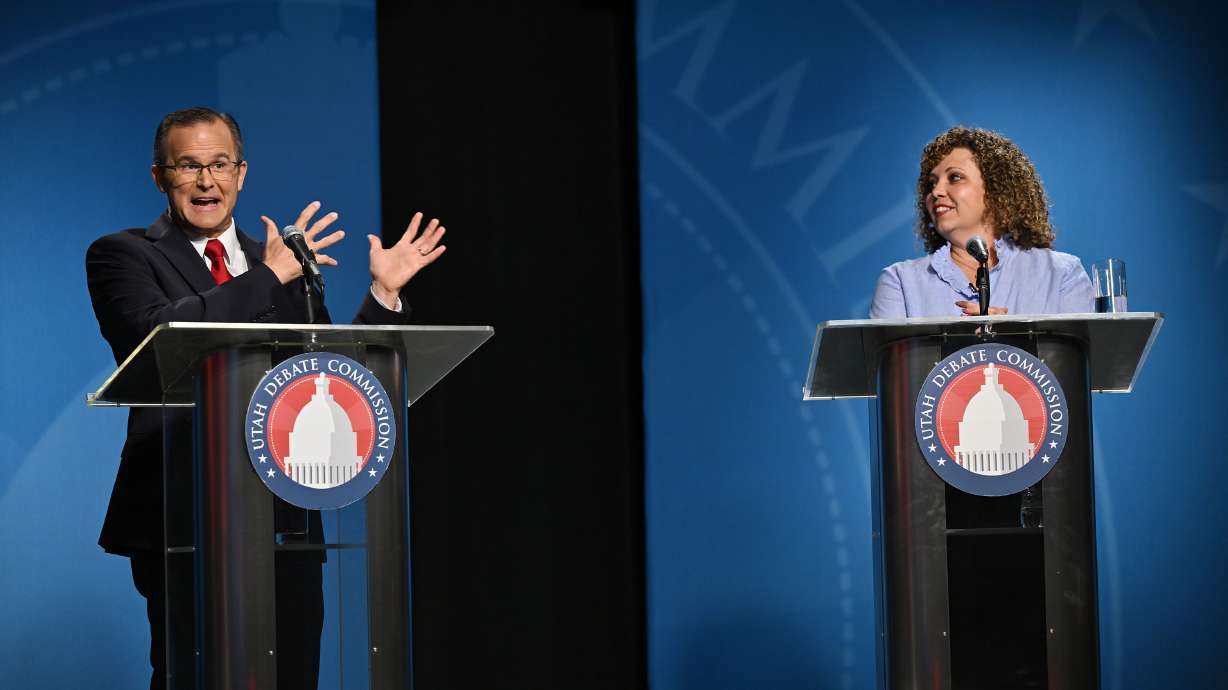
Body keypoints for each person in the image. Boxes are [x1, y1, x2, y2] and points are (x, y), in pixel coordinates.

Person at [85, 107, 446, 690]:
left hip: (285, 514)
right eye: (189, 166)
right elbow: (155, 337)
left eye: (220, 164)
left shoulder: (284, 261)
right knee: (193, 674)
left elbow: (331, 376)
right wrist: (269, 277)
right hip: (179, 512)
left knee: (295, 674)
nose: (207, 181)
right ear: (160, 177)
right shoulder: (123, 254)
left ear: (242, 173)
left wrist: (382, 295)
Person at [869, 126, 1094, 318]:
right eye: (931, 184)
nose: (936, 192)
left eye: (954, 177)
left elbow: (1073, 365)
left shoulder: (1061, 274)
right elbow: (892, 366)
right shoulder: (900, 282)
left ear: (998, 189)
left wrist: (1009, 337)